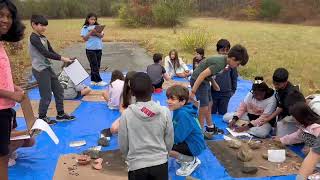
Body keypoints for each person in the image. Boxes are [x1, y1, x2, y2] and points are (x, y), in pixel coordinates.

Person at [119, 72, 173, 180]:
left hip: (136, 166)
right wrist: (164, 154)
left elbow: (123, 143)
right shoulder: (165, 112)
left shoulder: (126, 115)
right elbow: (169, 139)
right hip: (160, 164)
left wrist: (128, 158)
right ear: (153, 89)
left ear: (132, 93)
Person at [190, 44, 249, 135]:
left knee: (210, 104)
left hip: (205, 81)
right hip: (198, 80)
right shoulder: (220, 63)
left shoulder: (225, 61)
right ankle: (199, 131)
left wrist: (214, 83)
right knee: (204, 107)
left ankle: (210, 127)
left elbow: (209, 72)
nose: (237, 66)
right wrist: (193, 92)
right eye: (237, 64)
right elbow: (201, 75)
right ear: (233, 58)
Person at [29, 14, 75, 124]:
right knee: (46, 95)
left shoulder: (43, 38)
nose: (44, 28)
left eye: (45, 25)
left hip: (47, 67)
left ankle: (60, 114)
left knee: (58, 90)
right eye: (41, 25)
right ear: (33, 25)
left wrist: (64, 59)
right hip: (40, 69)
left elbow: (51, 51)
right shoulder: (33, 38)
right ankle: (42, 117)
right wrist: (61, 58)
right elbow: (45, 53)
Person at [0, 1, 26, 179]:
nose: (5, 20)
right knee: (2, 158)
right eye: (1, 15)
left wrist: (13, 86)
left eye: (9, 16)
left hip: (4, 110)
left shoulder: (1, 44)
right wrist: (12, 95)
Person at [166, 85, 205, 176]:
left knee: (164, 148)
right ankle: (186, 157)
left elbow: (177, 138)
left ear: (182, 101)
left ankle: (191, 161)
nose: (168, 101)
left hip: (195, 146)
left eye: (172, 99)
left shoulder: (183, 114)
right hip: (192, 142)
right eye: (168, 98)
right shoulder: (180, 109)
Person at [263, 68, 305, 137]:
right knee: (280, 133)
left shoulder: (291, 95)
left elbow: (301, 137)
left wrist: (283, 139)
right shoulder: (282, 89)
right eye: (274, 83)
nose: (275, 86)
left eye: (278, 84)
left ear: (286, 82)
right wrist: (268, 119)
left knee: (284, 135)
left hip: (296, 117)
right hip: (291, 115)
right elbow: (281, 107)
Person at [211, 39, 238, 115]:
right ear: (218, 50)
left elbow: (234, 77)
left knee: (222, 112)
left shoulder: (231, 63)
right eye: (223, 50)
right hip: (213, 92)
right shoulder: (213, 61)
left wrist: (233, 90)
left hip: (226, 93)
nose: (225, 52)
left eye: (227, 50)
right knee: (212, 112)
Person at [80, 13, 107, 86]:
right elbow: (85, 39)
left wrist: (96, 33)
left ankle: (93, 80)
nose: (93, 21)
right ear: (88, 19)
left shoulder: (98, 27)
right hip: (90, 50)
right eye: (91, 19)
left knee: (96, 65)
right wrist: (91, 32)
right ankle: (99, 81)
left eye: (94, 19)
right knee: (94, 65)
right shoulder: (85, 28)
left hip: (98, 48)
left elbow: (101, 36)